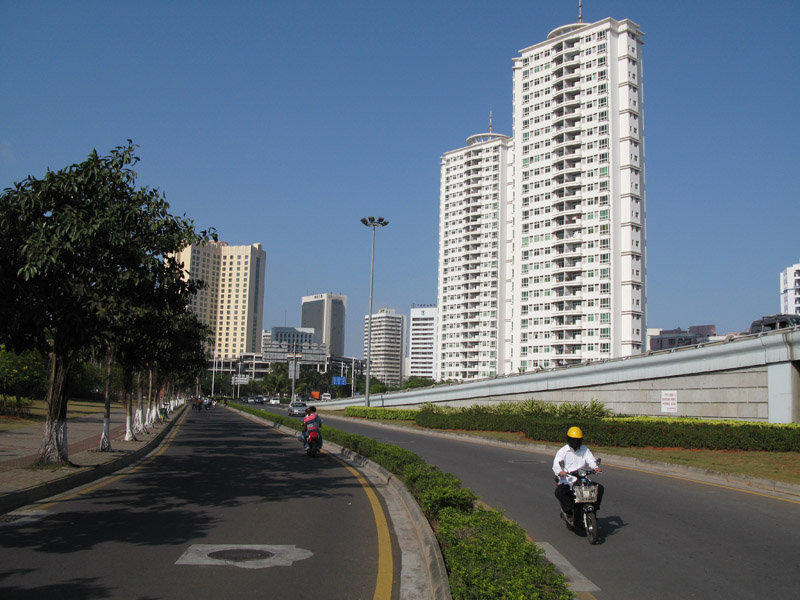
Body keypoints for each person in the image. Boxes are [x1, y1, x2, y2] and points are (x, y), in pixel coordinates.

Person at [553, 426, 603, 518]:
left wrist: (596, 467)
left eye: (577, 440)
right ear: (568, 439)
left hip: (582, 479)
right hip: (568, 480)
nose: (575, 442)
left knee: (599, 488)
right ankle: (569, 511)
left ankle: (594, 508)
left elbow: (591, 460)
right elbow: (556, 465)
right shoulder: (563, 451)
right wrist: (560, 472)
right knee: (559, 492)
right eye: (573, 440)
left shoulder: (585, 450)